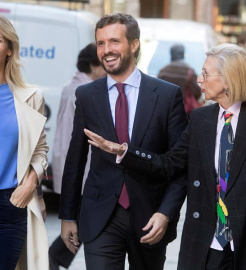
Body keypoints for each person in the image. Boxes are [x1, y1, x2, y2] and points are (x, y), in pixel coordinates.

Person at [84, 43, 246, 269]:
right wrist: (125, 152)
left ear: (228, 79)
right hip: (205, 242)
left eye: (206, 74)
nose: (199, 79)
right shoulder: (201, 120)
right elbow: (170, 164)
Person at [59, 13, 188, 270]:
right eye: (101, 43)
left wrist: (166, 213)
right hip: (100, 216)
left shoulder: (166, 95)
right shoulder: (86, 95)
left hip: (150, 217)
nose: (107, 50)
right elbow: (75, 159)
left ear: (134, 44)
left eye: (114, 41)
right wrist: (67, 216)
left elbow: (180, 165)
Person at [0, 14, 49, 270]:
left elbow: (40, 150)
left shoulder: (30, 97)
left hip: (10, 204)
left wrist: (30, 183)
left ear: (9, 49)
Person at [49, 43, 105, 270]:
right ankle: (53, 257)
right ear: (93, 65)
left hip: (70, 163)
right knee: (82, 221)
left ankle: (55, 258)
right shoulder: (82, 90)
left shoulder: (74, 85)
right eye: (102, 63)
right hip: (82, 168)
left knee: (81, 221)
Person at [158, 43, 202, 114]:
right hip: (184, 112)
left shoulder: (163, 71)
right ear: (183, 54)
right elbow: (197, 93)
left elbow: (158, 92)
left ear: (171, 54)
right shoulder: (189, 71)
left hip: (166, 111)